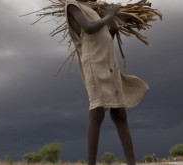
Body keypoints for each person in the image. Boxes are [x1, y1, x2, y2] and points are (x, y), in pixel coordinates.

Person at [65, 0, 149, 165]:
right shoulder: (72, 5)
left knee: (119, 113)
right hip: (95, 65)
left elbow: (100, 35)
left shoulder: (93, 11)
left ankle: (131, 162)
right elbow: (88, 28)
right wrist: (109, 16)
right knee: (97, 111)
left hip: (109, 63)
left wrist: (112, 27)